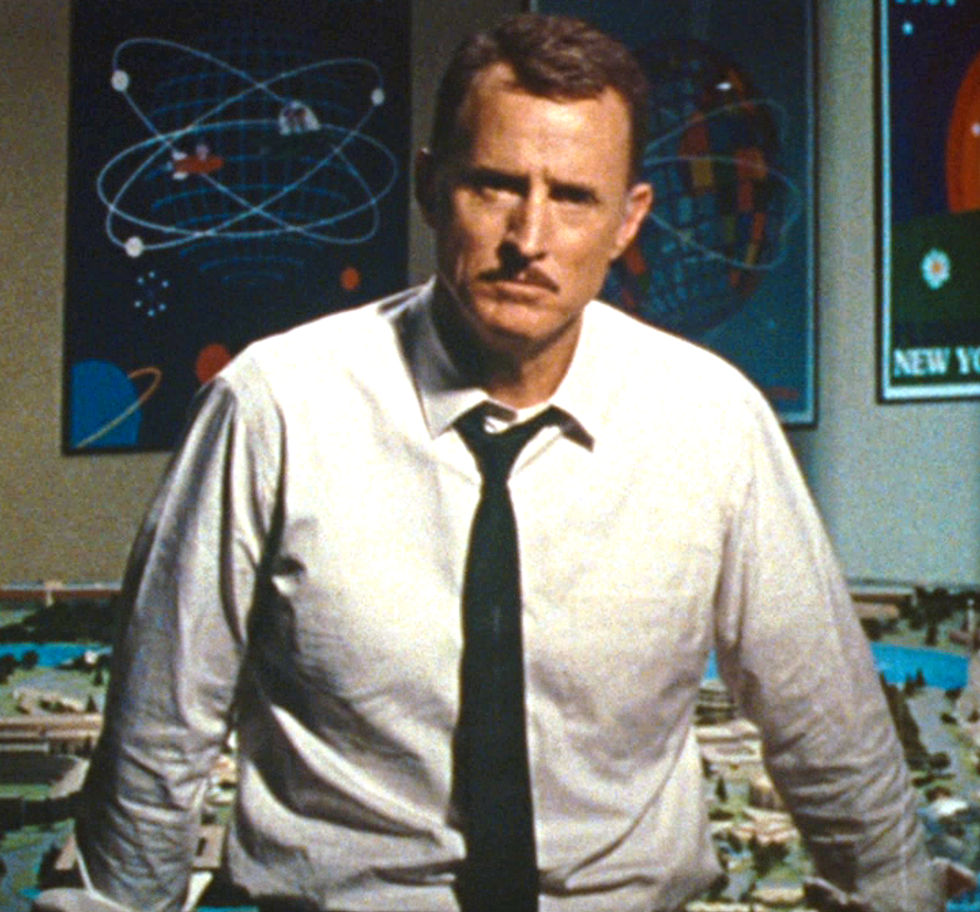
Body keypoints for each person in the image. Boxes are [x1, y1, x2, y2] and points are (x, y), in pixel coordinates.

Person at [37, 13, 962, 912]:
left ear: (630, 220)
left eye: (574, 197)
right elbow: (159, 735)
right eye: (494, 186)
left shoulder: (714, 421)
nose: (529, 238)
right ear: (430, 186)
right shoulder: (273, 408)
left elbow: (831, 733)